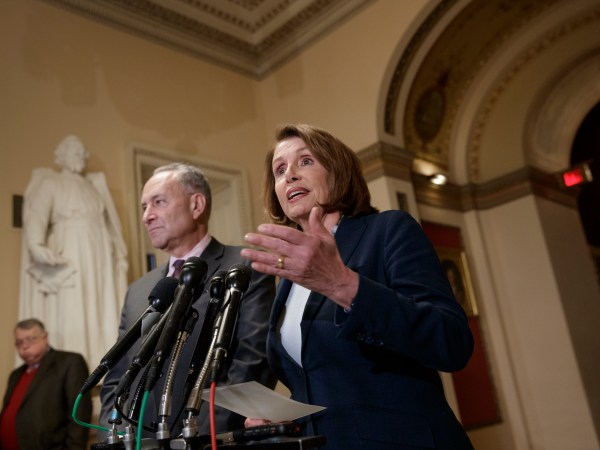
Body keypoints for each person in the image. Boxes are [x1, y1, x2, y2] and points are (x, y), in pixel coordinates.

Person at [241, 124, 475, 449]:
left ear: (338, 171)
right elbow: (324, 382)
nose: (289, 175)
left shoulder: (388, 231)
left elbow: (452, 342)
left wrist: (343, 285)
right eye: (280, 170)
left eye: (305, 161)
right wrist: (284, 418)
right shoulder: (289, 278)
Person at [99, 162, 276, 440]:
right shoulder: (138, 289)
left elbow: (251, 361)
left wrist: (199, 437)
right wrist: (115, 437)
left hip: (210, 437)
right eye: (144, 207)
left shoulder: (244, 266)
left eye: (158, 202)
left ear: (196, 205)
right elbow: (118, 375)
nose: (147, 216)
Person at [19, 135, 128, 367]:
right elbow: (37, 213)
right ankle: (76, 367)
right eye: (75, 152)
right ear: (61, 156)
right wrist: (36, 244)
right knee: (74, 305)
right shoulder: (51, 183)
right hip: (71, 249)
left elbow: (107, 223)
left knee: (99, 304)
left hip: (98, 254)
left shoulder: (93, 188)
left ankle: (103, 363)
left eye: (82, 152)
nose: (80, 156)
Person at [0, 318, 92, 450]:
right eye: (19, 342)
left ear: (45, 337)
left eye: (30, 339)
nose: (24, 346)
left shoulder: (69, 362)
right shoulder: (15, 374)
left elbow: (79, 415)